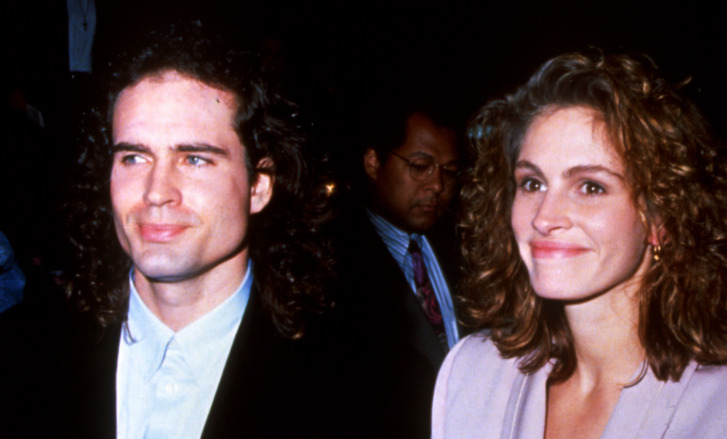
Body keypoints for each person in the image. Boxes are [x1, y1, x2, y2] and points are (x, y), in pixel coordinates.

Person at [1, 20, 341, 438]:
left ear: (258, 186)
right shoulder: (19, 354)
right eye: (134, 158)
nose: (156, 192)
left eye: (194, 159)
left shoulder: (351, 389)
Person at [433, 51, 727, 439]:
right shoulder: (470, 375)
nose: (544, 217)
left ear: (661, 218)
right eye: (532, 183)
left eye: (591, 187)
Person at [330, 101, 464, 438]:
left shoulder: (462, 247)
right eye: (420, 166)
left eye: (448, 171)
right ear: (373, 162)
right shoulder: (332, 261)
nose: (437, 185)